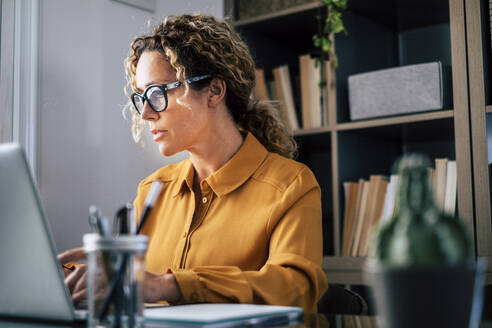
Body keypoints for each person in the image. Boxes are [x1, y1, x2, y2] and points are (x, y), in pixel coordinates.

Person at [58, 13, 328, 313]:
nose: (145, 113)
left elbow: (296, 288)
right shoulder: (153, 189)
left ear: (214, 91)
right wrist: (71, 277)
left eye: (157, 93)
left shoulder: (291, 185)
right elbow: (120, 279)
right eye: (141, 97)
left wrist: (165, 285)